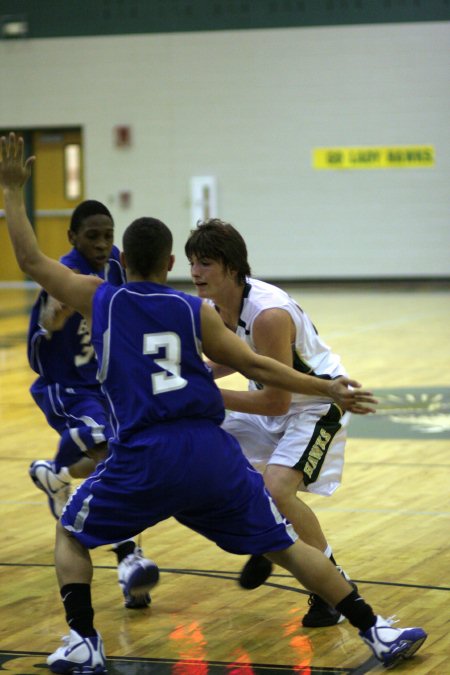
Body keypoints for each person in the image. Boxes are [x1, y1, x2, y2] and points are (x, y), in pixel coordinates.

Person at [0, 133, 426, 673]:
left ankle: (84, 639)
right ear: (173, 261)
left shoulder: (101, 297)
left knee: (70, 531)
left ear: (123, 259)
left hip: (145, 455)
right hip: (209, 453)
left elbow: (29, 259)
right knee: (286, 545)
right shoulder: (195, 311)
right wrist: (330, 387)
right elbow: (259, 367)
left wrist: (13, 190)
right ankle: (378, 630)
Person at [185, 219, 365, 627]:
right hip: (279, 404)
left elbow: (275, 400)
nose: (195, 272)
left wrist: (203, 395)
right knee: (208, 448)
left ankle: (333, 591)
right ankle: (268, 537)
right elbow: (235, 360)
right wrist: (192, 377)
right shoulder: (216, 306)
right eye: (193, 262)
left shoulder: (267, 314)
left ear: (231, 267)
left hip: (317, 404)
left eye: (206, 263)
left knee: (278, 487)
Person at [26, 198, 158, 609]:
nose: (102, 244)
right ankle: (128, 558)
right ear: (73, 238)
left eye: (108, 236)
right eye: (92, 236)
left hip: (108, 387)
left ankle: (58, 474)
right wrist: (52, 325)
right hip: (68, 388)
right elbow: (36, 346)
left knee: (126, 463)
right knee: (108, 452)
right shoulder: (62, 275)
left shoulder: (117, 265)